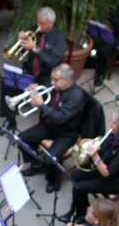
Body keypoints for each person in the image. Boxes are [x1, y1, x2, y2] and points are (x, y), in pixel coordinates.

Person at [59, 105, 119, 222]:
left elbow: (107, 173)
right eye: (112, 121)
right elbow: (103, 147)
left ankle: (81, 215)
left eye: (114, 123)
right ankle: (79, 209)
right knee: (75, 176)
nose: (110, 125)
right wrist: (94, 146)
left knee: (79, 187)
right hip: (105, 164)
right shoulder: (115, 132)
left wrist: (95, 156)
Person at [19, 64, 85, 193]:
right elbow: (46, 99)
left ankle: (53, 181)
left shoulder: (76, 96)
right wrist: (34, 91)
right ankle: (37, 164)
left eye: (55, 80)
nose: (51, 83)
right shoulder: (54, 86)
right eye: (51, 79)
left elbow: (60, 118)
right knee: (22, 139)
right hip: (50, 125)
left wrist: (41, 105)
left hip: (66, 132)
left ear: (67, 80)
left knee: (51, 159)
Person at [0, 7, 67, 130]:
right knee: (7, 83)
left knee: (45, 98)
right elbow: (24, 48)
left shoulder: (59, 38)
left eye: (41, 23)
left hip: (47, 77)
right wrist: (22, 39)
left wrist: (35, 48)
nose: (37, 25)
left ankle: (43, 127)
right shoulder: (35, 29)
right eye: (37, 21)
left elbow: (52, 61)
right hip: (30, 71)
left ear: (50, 24)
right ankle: (10, 121)